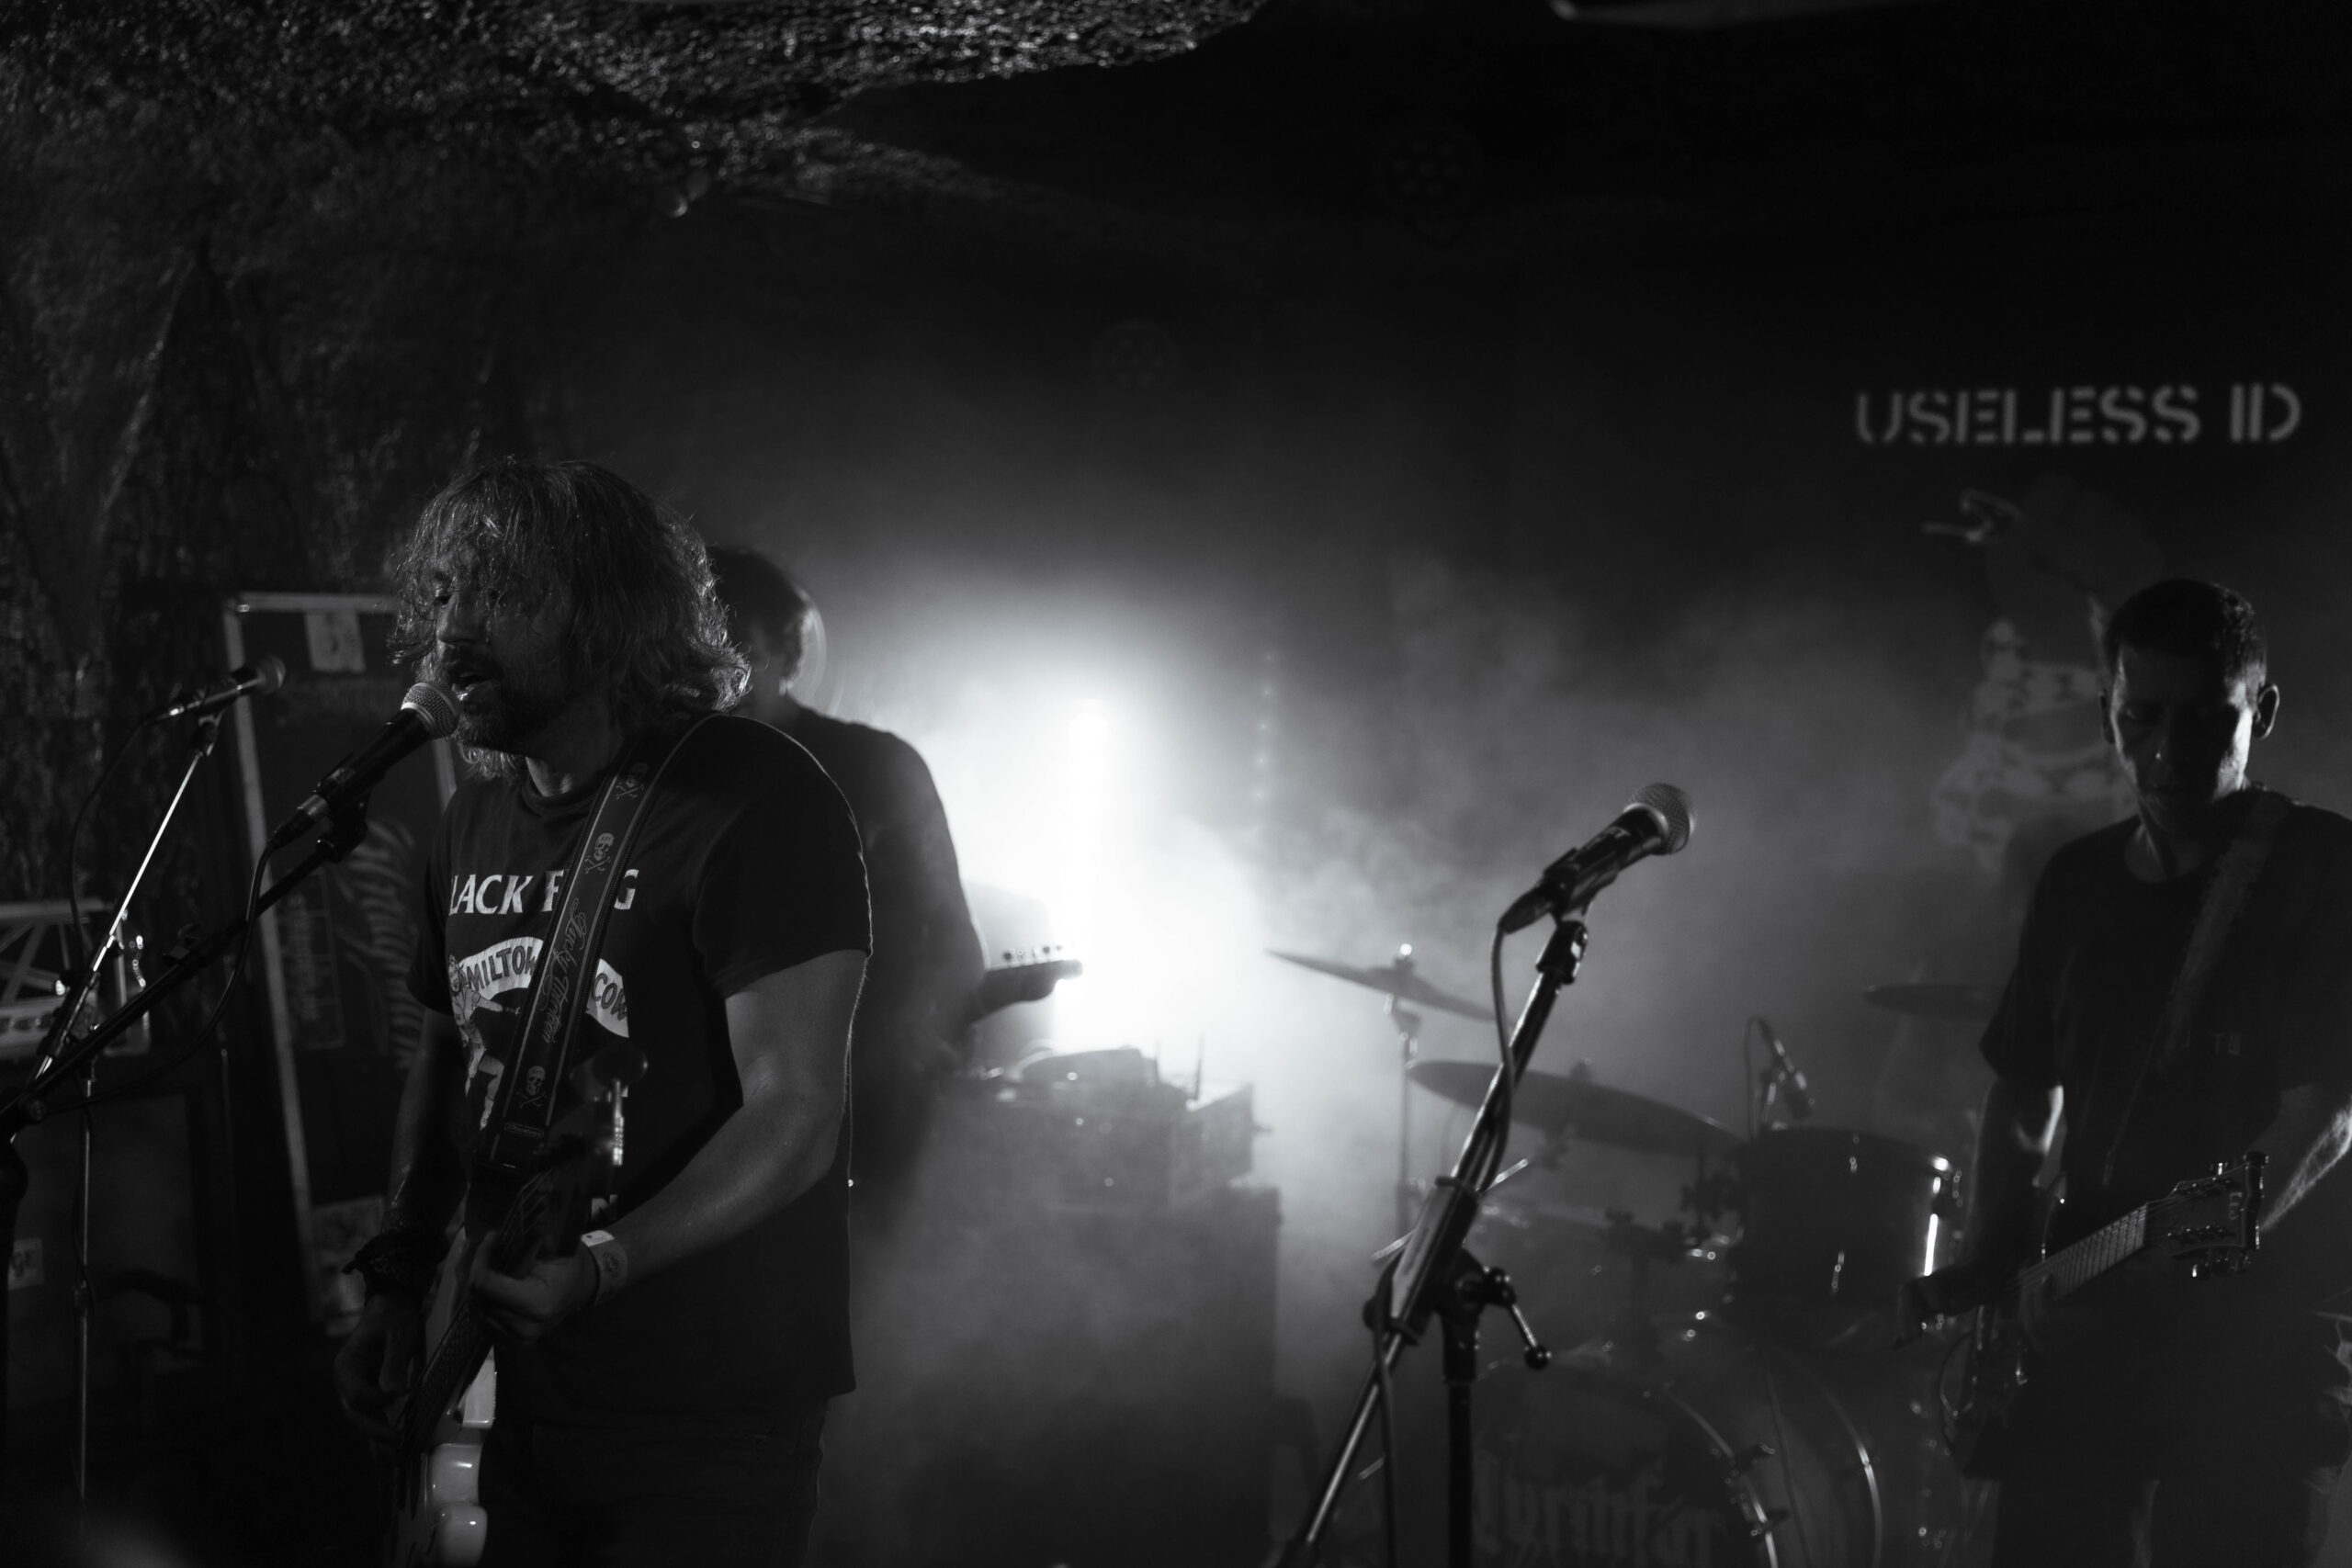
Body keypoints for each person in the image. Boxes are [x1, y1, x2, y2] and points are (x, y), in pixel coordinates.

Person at [332, 460, 870, 1568]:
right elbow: (443, 1063)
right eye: (444, 595)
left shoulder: (758, 795)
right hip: (505, 1388)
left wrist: (603, 1267)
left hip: (703, 1407)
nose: (453, 632)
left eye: (497, 595)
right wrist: (397, 1281)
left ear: (607, 612)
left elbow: (796, 1110)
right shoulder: (473, 817)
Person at [1963, 578, 2352, 1567]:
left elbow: (2323, 1115)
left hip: (2257, 1343)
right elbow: (2026, 1092)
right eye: (2142, 717)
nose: (2170, 751)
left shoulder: (2323, 867)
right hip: (2089, 1332)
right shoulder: (2076, 880)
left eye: (2205, 719)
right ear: (2107, 712)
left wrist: (2177, 1256)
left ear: (2262, 712)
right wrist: (1991, 1264)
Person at [706, 546, 984, 1224]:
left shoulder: (878, 766)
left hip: (866, 1106)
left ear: (786, 652)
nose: (719, 675)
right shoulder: (672, 778)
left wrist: (916, 1051)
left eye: (740, 648)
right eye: (699, 651)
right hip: (713, 1111)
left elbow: (952, 938)